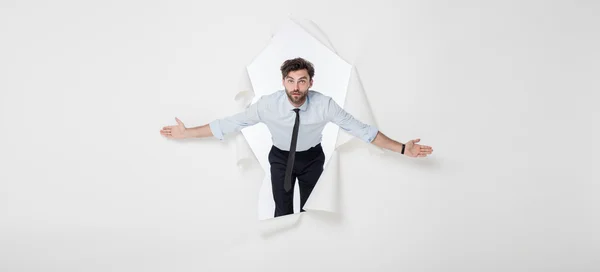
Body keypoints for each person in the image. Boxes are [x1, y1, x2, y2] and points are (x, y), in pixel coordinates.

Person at [160, 57, 433, 217]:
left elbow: (364, 131)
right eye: (290, 80)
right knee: (283, 213)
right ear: (283, 82)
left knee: (311, 212)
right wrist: (187, 133)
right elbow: (230, 123)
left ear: (311, 83)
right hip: (280, 159)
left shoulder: (325, 105)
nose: (296, 87)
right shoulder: (268, 105)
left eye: (302, 80)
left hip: (313, 159)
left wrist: (401, 149)